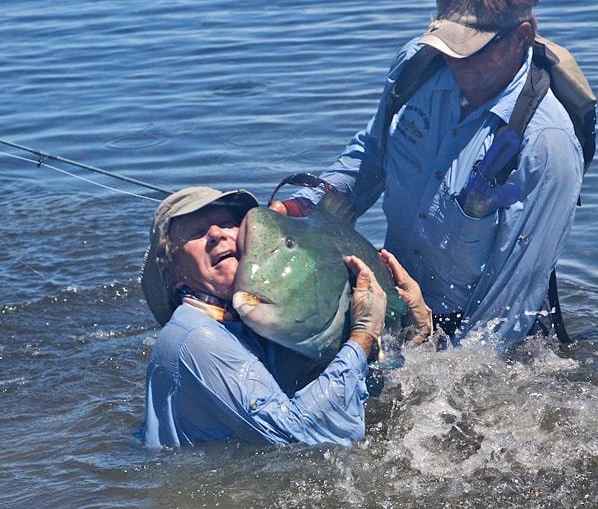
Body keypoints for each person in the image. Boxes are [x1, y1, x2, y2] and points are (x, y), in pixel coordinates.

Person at [271, 0, 584, 347]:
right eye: (446, 43)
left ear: (521, 37)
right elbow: (371, 155)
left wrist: (439, 369)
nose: (453, 60)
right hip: (398, 301)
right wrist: (306, 205)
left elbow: (510, 304)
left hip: (480, 328)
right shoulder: (416, 66)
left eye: (470, 49)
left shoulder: (546, 145)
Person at [139, 186, 429, 448]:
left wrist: (416, 330)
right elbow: (294, 436)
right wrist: (362, 336)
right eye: (195, 232)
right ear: (175, 274)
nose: (216, 234)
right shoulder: (196, 337)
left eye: (228, 223)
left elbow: (367, 386)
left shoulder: (248, 326)